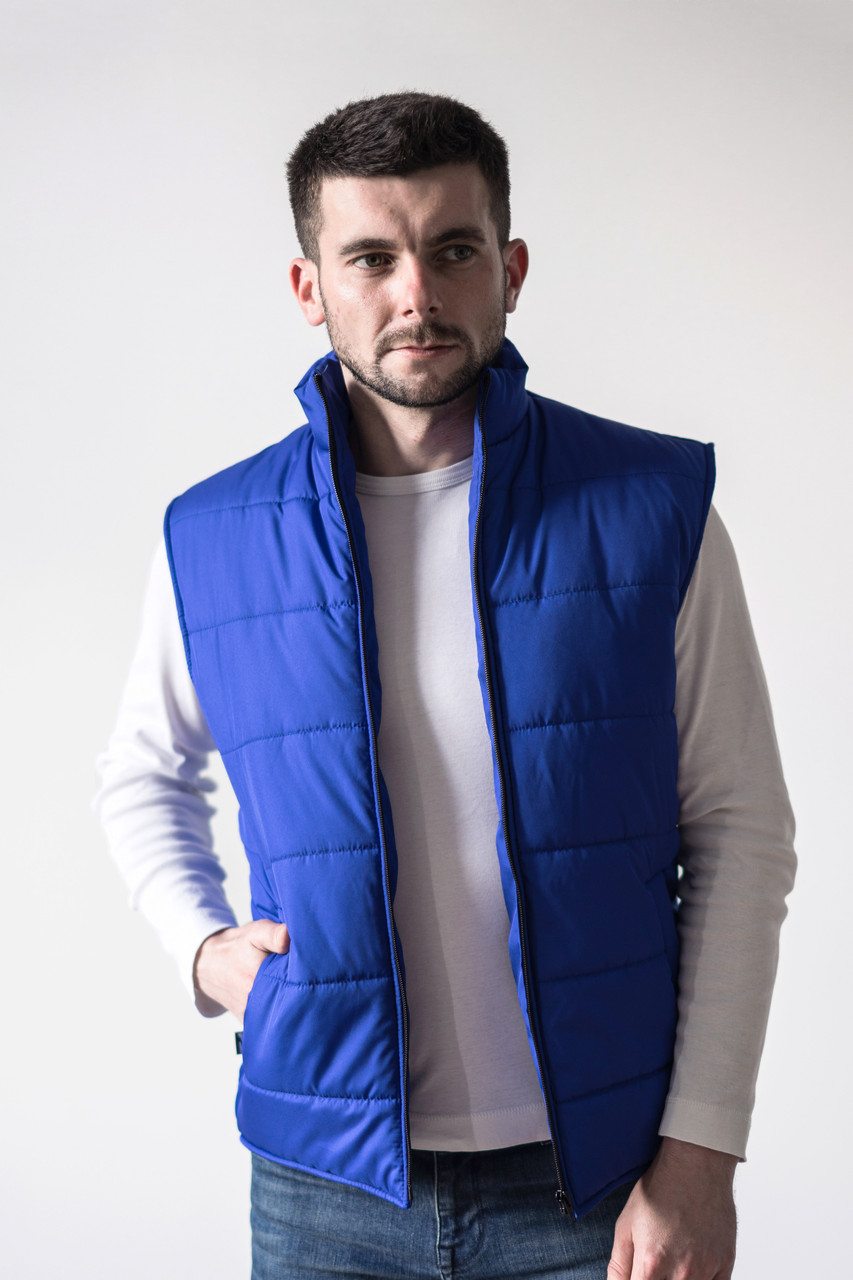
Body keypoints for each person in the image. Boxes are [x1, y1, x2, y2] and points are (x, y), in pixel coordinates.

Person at [95, 92, 797, 1279]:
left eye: (453, 250)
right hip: (323, 1192)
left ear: (509, 269)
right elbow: (140, 772)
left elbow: (741, 830)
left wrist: (699, 1154)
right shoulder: (214, 536)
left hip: (602, 1183)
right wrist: (201, 946)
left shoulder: (649, 510)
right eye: (371, 257)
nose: (415, 293)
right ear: (310, 286)